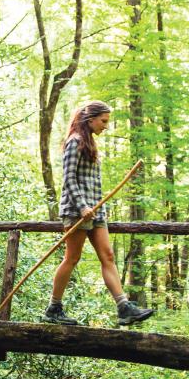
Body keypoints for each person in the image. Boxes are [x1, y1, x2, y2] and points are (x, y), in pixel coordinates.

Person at [46, 101, 155, 327]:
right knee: (72, 258)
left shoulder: (90, 143)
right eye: (103, 121)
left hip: (96, 211)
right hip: (77, 211)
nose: (105, 126)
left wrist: (94, 208)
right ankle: (53, 308)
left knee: (108, 256)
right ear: (90, 119)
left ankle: (124, 307)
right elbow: (68, 179)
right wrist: (83, 206)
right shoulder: (74, 142)